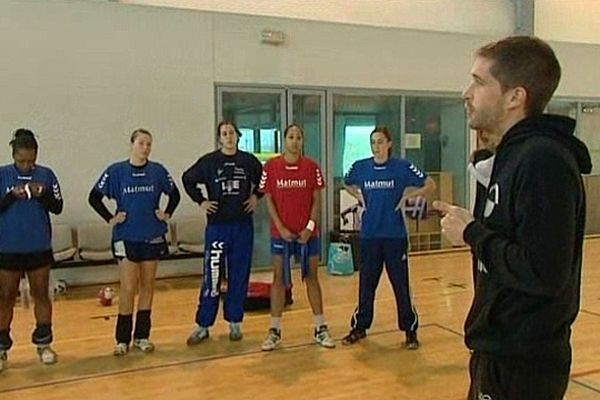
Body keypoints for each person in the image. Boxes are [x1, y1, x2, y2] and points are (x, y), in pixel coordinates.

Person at [433, 36, 591, 400]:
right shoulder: (512, 157)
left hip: (523, 363)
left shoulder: (542, 160)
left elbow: (543, 271)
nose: (466, 92)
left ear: (514, 97)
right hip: (499, 353)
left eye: (479, 81)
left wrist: (472, 232)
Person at [340, 126, 435, 349]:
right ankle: (360, 327)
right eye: (373, 142)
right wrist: (360, 197)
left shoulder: (401, 167)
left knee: (400, 285)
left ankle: (410, 330)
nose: (376, 146)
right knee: (367, 284)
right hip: (370, 236)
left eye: (381, 142)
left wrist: (410, 196)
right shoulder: (361, 167)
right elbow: (346, 181)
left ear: (389, 143)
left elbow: (430, 184)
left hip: (395, 236)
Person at [89, 128, 180, 356]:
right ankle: (122, 339)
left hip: (152, 235)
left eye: (149, 144)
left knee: (147, 286)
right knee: (128, 287)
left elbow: (175, 194)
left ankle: (142, 336)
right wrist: (111, 218)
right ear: (132, 144)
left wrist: (166, 213)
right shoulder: (116, 171)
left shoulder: (157, 171)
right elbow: (94, 197)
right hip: (126, 236)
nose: (146, 148)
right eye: (141, 143)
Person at [183, 121, 262, 344]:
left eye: (231, 133)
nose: (228, 137)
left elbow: (265, 180)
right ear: (219, 138)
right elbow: (187, 179)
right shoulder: (209, 162)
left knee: (239, 275)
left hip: (242, 227)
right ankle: (203, 325)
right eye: (224, 133)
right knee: (213, 277)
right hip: (217, 227)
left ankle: (235, 322)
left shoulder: (248, 161)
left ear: (238, 136)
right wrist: (201, 201)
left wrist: (256, 196)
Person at [259, 123, 335, 351]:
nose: (295, 141)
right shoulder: (271, 167)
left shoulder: (312, 167)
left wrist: (310, 227)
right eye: (291, 137)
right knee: (278, 280)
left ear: (302, 141)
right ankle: (275, 330)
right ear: (284, 140)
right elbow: (268, 199)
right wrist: (280, 228)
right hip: (280, 234)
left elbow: (316, 201)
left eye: (298, 137)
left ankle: (321, 328)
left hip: (308, 235)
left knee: (311, 277)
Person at [0, 129, 63, 371]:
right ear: (14, 155)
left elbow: (57, 206)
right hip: (8, 247)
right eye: (21, 161)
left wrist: (43, 194)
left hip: (38, 245)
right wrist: (11, 197)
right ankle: (2, 347)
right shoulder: (3, 175)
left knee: (41, 295)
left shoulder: (46, 175)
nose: (26, 166)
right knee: (5, 297)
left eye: (31, 161)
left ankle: (44, 343)